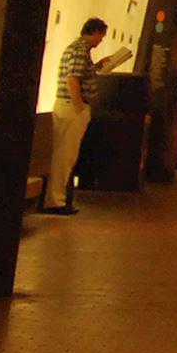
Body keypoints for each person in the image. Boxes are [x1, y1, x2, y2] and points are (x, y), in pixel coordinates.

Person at [44, 19, 128, 215]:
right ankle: (55, 201)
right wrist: (80, 107)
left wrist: (97, 65)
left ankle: (56, 199)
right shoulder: (80, 50)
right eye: (101, 36)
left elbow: (79, 74)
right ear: (95, 32)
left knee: (65, 155)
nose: (100, 41)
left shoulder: (77, 50)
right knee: (65, 156)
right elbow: (73, 78)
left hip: (69, 107)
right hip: (72, 109)